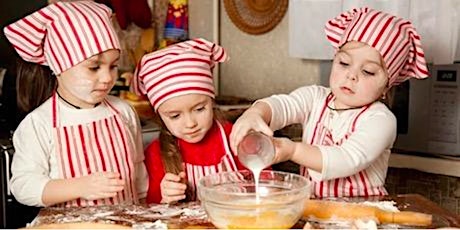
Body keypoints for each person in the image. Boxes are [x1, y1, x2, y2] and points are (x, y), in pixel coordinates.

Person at [230, 7, 429, 198]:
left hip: (361, 216)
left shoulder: (380, 120)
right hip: (314, 211)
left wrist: (293, 150)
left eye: (367, 71)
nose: (351, 75)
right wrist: (256, 113)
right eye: (344, 63)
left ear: (387, 85)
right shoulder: (314, 98)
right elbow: (283, 105)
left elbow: (346, 159)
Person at [4, 0, 148, 207]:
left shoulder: (123, 111)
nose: (108, 77)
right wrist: (80, 187)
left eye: (113, 66)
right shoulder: (40, 123)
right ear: (59, 66)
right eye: (94, 67)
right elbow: (23, 186)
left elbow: (139, 172)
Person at [131, 38, 246, 204]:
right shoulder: (157, 154)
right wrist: (165, 198)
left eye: (199, 109)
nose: (190, 123)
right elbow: (152, 212)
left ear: (212, 101)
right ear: (160, 116)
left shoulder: (236, 137)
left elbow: (265, 188)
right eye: (175, 116)